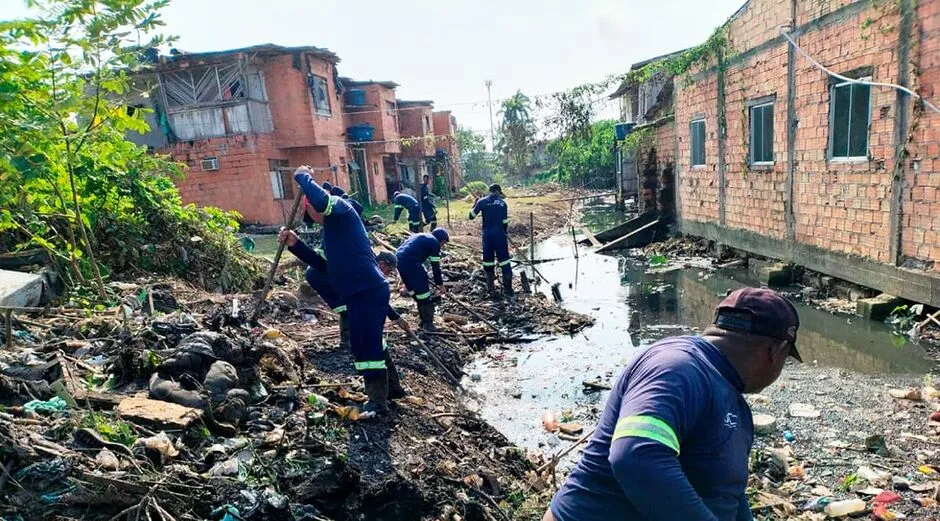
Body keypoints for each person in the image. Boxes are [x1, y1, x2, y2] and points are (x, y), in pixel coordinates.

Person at [545, 287, 802, 521]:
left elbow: (728, 492)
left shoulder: (730, 396)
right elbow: (636, 455)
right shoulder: (677, 368)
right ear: (775, 351)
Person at [292, 166, 403, 417]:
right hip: (360, 292)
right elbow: (323, 267)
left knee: (366, 345)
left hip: (367, 290)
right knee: (372, 341)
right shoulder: (332, 233)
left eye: (310, 211)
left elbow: (321, 199)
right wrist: (295, 246)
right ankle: (392, 389)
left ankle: (377, 402)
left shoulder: (341, 209)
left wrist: (302, 176)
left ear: (311, 206)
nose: (312, 215)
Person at [396, 228, 449, 331]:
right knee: (424, 293)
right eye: (443, 243)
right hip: (411, 262)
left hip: (398, 260)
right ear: (441, 239)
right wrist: (440, 285)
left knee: (415, 292)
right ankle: (428, 324)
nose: (442, 246)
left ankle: (423, 321)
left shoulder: (421, 236)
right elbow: (436, 267)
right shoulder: (434, 243)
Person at [469, 183, 513, 297]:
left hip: (487, 237)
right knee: (504, 262)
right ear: (498, 191)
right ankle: (508, 290)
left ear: (490, 191)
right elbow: (504, 223)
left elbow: (471, 216)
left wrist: (475, 204)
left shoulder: (482, 202)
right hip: (500, 236)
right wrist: (504, 232)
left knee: (488, 262)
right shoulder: (503, 204)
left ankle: (491, 290)